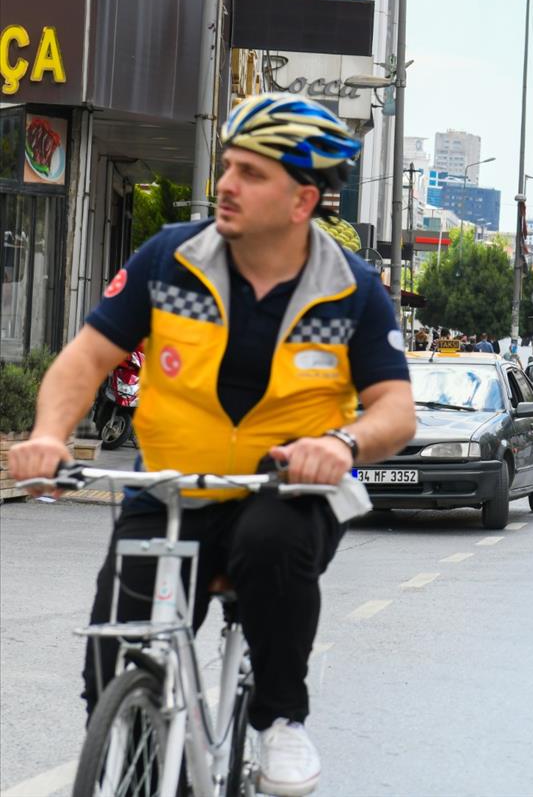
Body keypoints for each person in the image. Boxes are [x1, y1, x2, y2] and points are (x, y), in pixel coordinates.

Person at [8, 93, 416, 797]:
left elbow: (397, 410)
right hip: (170, 490)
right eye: (227, 165)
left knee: (270, 542)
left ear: (302, 200)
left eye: (251, 173)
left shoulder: (352, 290)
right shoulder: (168, 260)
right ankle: (141, 758)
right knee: (113, 654)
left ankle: (280, 719)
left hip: (283, 490)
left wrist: (343, 443)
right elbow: (84, 361)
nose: (226, 184)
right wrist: (47, 434)